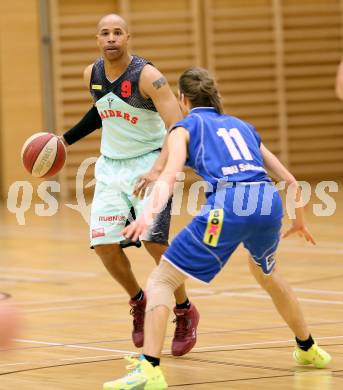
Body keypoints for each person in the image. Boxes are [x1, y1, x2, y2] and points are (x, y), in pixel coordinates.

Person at [104, 67, 332, 389]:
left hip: (228, 207)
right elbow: (290, 180)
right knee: (267, 274)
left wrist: (146, 216)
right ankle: (308, 349)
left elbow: (170, 176)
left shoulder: (183, 127)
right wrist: (298, 221)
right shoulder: (243, 126)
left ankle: (150, 369)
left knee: (162, 279)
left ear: (183, 99)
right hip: (268, 203)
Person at [61, 14, 199, 355]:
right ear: (97, 40)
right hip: (111, 168)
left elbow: (176, 125)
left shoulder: (148, 76)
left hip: (149, 163)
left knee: (154, 242)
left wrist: (158, 169)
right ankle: (138, 300)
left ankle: (184, 311)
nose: (111, 38)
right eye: (104, 33)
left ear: (128, 38)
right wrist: (64, 140)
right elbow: (102, 111)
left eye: (117, 32)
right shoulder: (90, 74)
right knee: (104, 244)